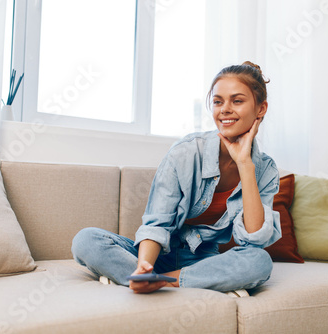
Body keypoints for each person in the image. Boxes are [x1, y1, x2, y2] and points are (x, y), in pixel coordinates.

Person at [72, 61, 281, 295]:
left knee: (259, 261)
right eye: (218, 101)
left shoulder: (265, 170)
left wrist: (245, 164)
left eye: (237, 101)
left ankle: (161, 282)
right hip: (159, 253)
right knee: (86, 240)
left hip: (203, 262)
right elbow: (156, 223)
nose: (225, 109)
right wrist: (145, 266)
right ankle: (149, 278)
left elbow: (254, 240)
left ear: (261, 109)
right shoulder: (186, 152)